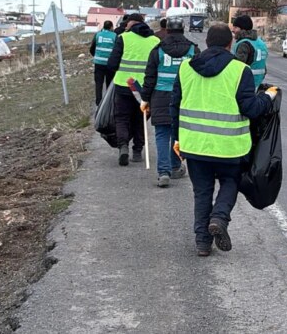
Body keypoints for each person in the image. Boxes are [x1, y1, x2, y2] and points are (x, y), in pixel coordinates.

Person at [171, 24, 276, 256]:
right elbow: (250, 108)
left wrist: (176, 139)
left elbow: (174, 106)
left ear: (207, 42)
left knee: (202, 192)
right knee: (230, 182)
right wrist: (267, 98)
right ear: (230, 44)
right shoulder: (240, 70)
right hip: (230, 147)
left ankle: (202, 243)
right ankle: (219, 218)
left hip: (195, 145)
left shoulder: (186, 68)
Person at [141, 17, 200, 187]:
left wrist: (145, 98)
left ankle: (163, 172)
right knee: (177, 133)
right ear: (183, 30)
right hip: (185, 97)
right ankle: (174, 166)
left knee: (162, 134)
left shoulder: (158, 50)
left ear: (167, 30)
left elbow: (150, 77)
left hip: (160, 96)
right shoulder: (193, 50)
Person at [107, 13, 160, 166]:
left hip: (124, 85)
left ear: (131, 24)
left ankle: (123, 146)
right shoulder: (155, 41)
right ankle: (137, 151)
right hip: (145, 88)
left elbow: (112, 64)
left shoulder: (123, 38)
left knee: (122, 118)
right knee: (140, 119)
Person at [231, 15, 268, 89]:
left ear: (243, 29)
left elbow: (237, 68)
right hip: (256, 83)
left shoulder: (244, 44)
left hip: (245, 85)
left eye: (235, 27)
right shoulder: (261, 43)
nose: (233, 30)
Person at [89, 20, 117, 105]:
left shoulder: (98, 34)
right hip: (109, 64)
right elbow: (117, 50)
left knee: (99, 83)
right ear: (111, 27)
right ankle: (108, 102)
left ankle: (98, 102)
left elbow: (92, 48)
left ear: (103, 26)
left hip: (98, 63)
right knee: (109, 83)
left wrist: (96, 56)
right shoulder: (114, 36)